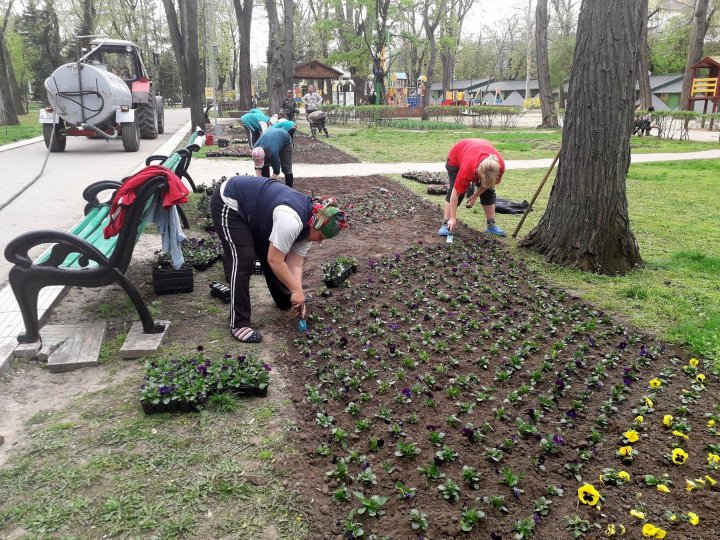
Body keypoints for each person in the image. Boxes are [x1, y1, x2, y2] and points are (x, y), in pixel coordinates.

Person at [211, 176, 347, 343]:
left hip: (259, 212)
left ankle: (285, 300)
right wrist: (297, 291)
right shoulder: (292, 221)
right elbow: (275, 260)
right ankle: (239, 323)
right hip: (232, 202)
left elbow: (295, 263)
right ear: (316, 224)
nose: (319, 242)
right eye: (320, 237)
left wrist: (298, 292)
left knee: (275, 252)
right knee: (243, 259)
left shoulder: (311, 225)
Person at [439, 138, 506, 238]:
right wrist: (453, 218)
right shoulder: (468, 167)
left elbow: (487, 185)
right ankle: (445, 223)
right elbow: (455, 193)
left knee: (489, 191)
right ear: (478, 173)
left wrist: (475, 196)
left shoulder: (499, 167)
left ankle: (491, 225)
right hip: (456, 157)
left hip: (475, 149)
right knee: (459, 193)